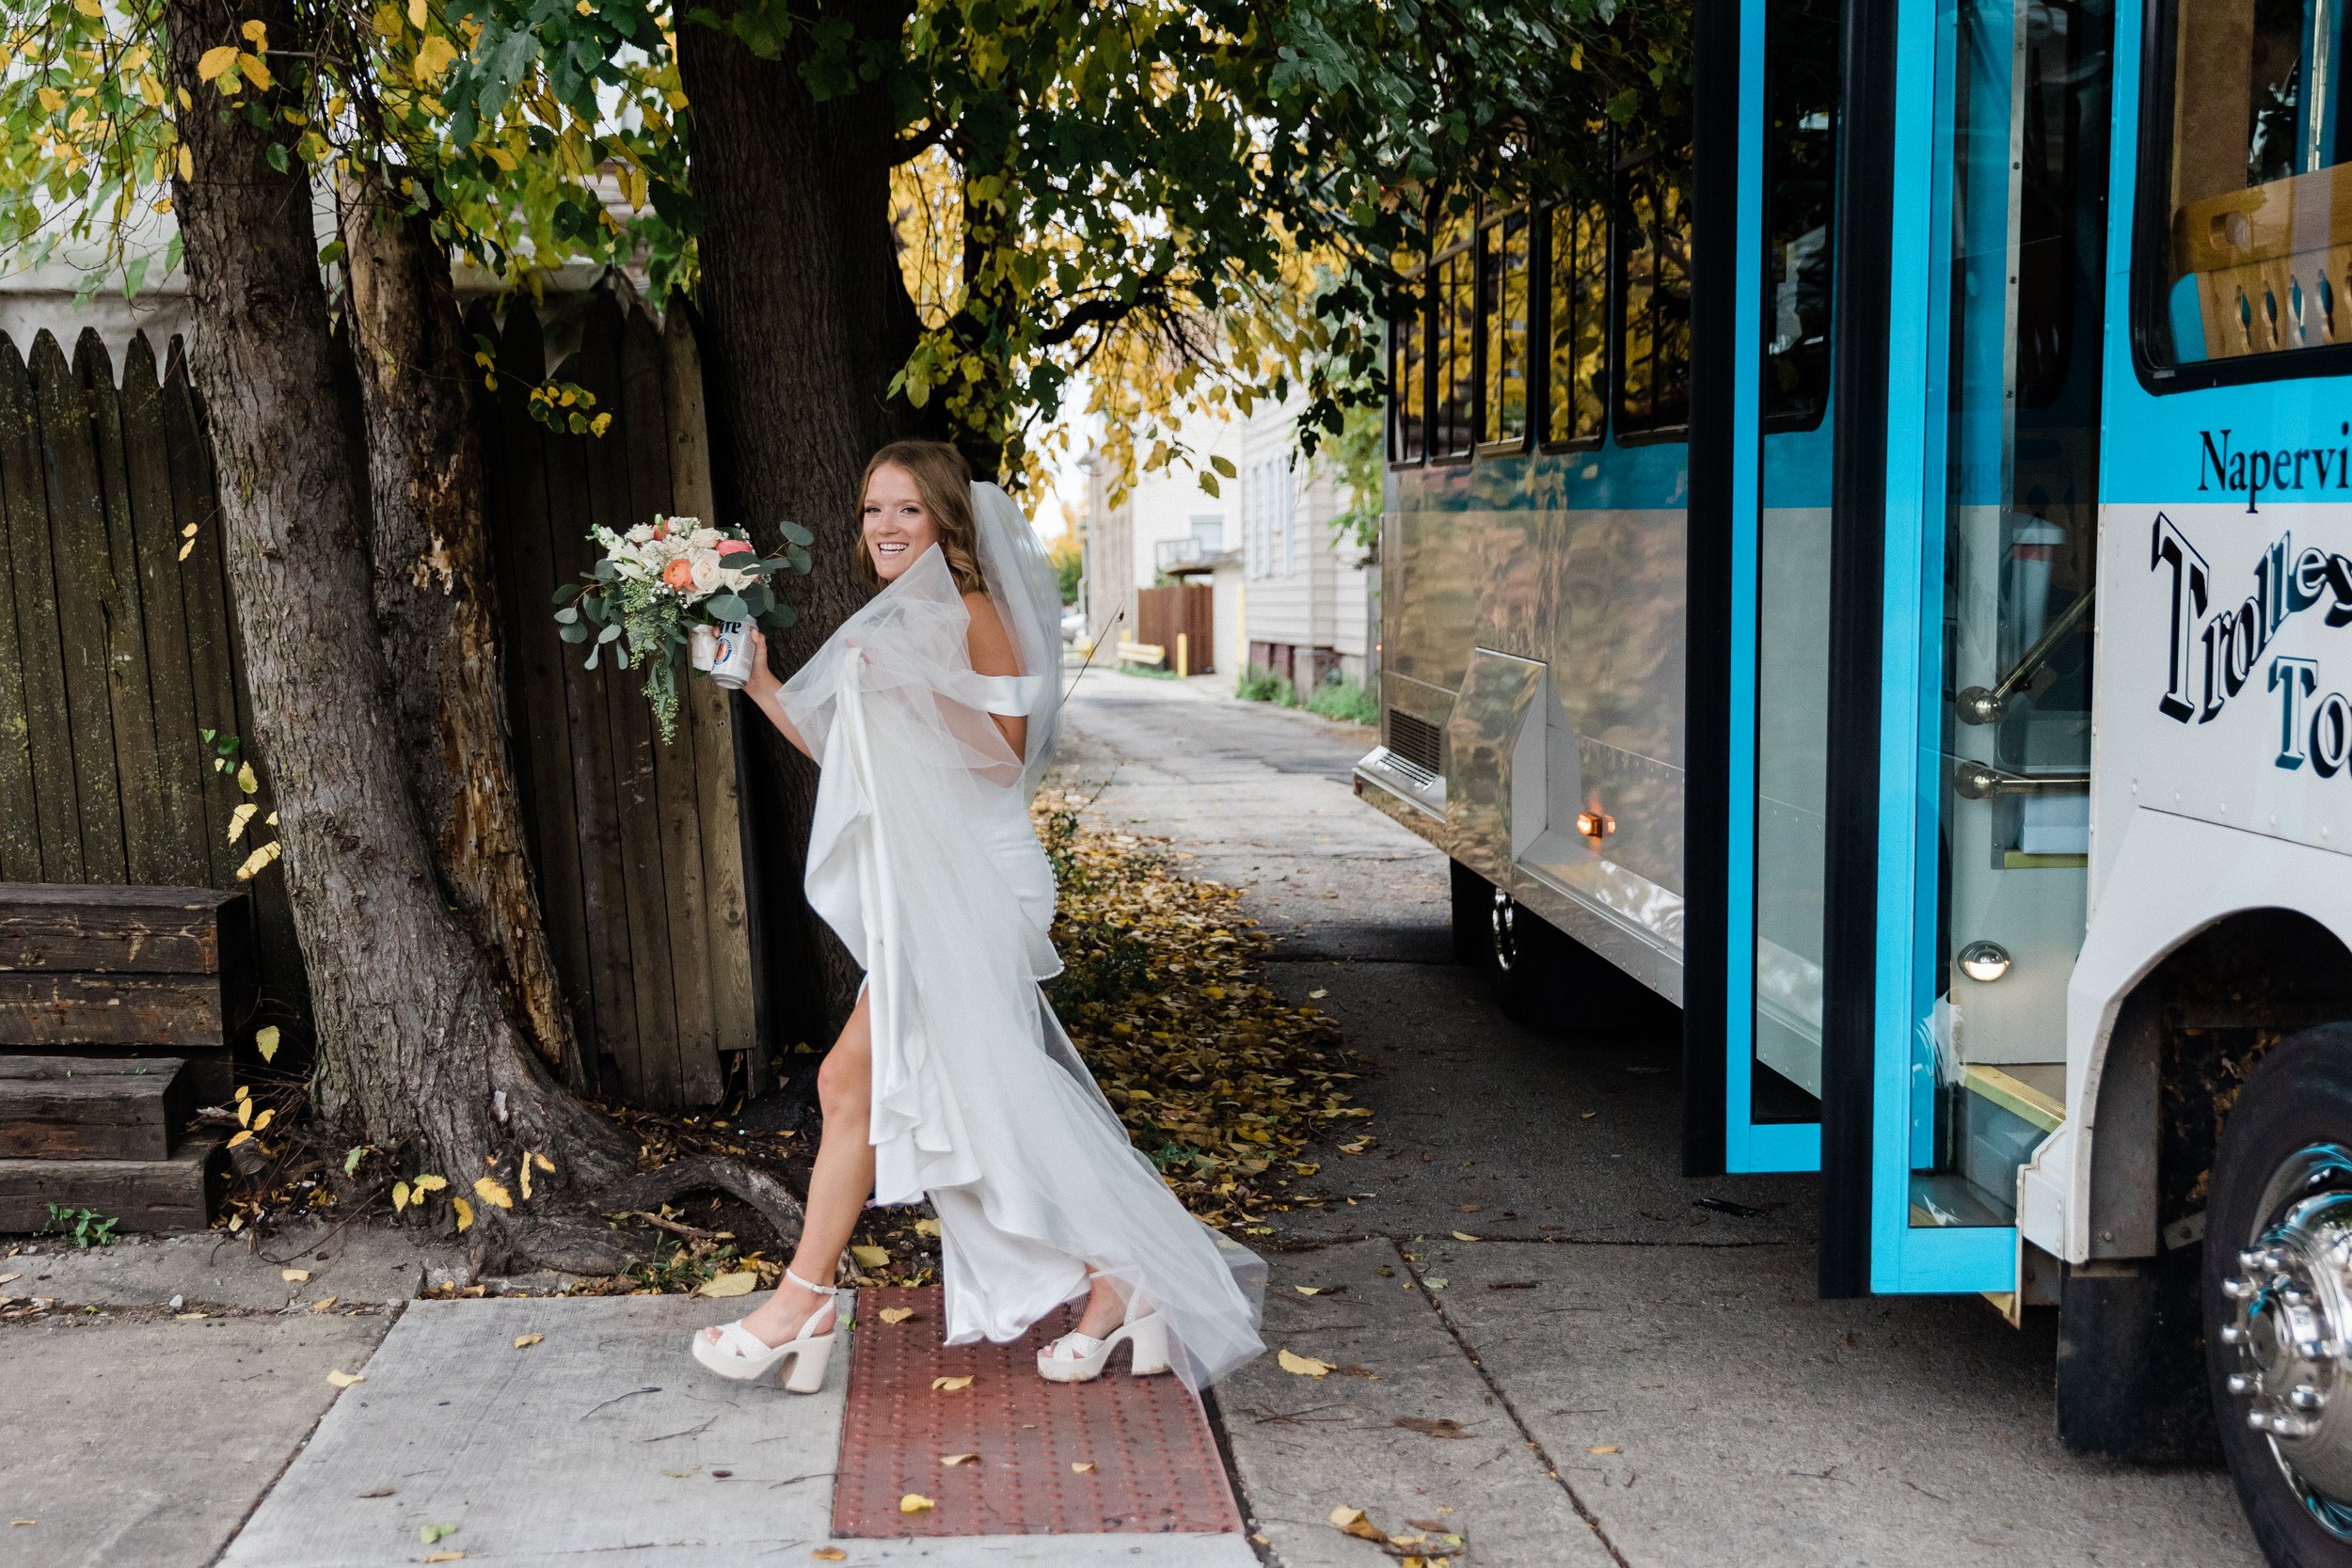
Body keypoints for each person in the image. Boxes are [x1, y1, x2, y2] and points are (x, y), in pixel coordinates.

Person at [689, 440, 1264, 1394]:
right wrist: (759, 682)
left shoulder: (974, 614)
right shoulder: (896, 618)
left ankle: (807, 1300)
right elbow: (857, 758)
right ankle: (1111, 1281)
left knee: (932, 1093)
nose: (884, 526)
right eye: (873, 508)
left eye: (906, 509)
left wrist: (907, 685)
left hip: (986, 884)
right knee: (894, 1090)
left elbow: (1001, 759)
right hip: (935, 890)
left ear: (946, 521)